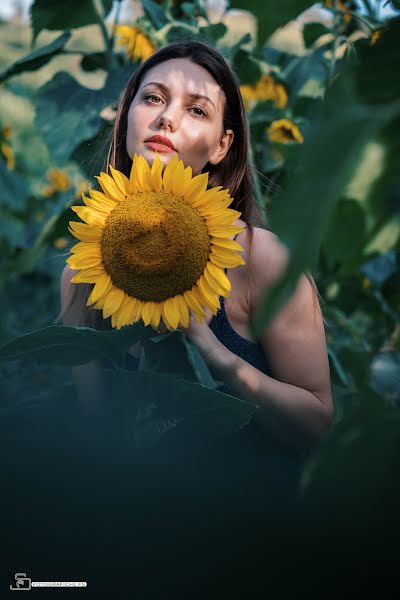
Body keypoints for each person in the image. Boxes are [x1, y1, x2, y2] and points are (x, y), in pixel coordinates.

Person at [59, 39, 333, 457]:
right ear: (127, 114)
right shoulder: (83, 274)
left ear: (222, 145)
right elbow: (96, 440)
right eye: (152, 98)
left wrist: (214, 353)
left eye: (197, 109)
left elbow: (320, 429)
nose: (166, 118)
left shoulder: (262, 260)